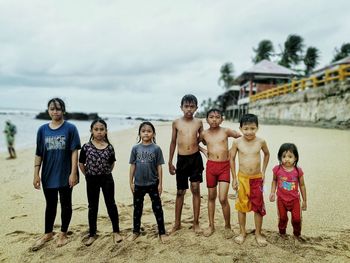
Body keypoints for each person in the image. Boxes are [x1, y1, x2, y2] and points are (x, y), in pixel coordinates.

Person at [32, 98, 81, 251]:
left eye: (58, 109)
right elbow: (39, 153)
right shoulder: (42, 130)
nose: (55, 111)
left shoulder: (70, 128)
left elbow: (74, 152)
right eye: (52, 109)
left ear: (63, 110)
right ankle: (48, 233)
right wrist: (36, 174)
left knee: (66, 204)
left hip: (66, 173)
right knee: (50, 204)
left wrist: (73, 173)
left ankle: (63, 233)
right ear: (48, 111)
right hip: (48, 173)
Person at [79, 119, 122, 246]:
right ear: (91, 131)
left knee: (111, 204)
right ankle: (92, 233)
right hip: (91, 179)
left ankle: (116, 231)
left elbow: (112, 163)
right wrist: (87, 175)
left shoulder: (109, 147)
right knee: (92, 207)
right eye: (96, 129)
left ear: (106, 131)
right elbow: (81, 163)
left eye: (102, 129)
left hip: (107, 179)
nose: (99, 132)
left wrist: (106, 172)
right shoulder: (86, 147)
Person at [230, 113, 270, 246]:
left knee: (258, 207)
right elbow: (231, 159)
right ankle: (242, 232)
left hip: (257, 179)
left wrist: (263, 171)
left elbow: (267, 154)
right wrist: (234, 178)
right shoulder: (237, 142)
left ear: (257, 128)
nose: (249, 132)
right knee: (242, 207)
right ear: (240, 128)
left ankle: (258, 233)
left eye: (252, 128)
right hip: (242, 178)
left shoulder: (261, 141)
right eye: (246, 128)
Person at [200, 109, 241, 238]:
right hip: (211, 167)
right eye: (211, 117)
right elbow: (196, 144)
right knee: (211, 197)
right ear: (206, 119)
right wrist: (204, 151)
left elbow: (240, 136)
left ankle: (227, 226)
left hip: (224, 166)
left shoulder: (226, 131)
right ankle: (211, 225)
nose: (214, 119)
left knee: (223, 198)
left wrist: (232, 150)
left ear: (222, 119)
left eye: (217, 117)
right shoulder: (204, 133)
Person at [168, 94, 204, 234]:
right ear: (181, 107)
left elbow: (202, 138)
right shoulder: (176, 123)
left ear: (196, 108)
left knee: (195, 189)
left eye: (192, 106)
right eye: (186, 106)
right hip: (181, 159)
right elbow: (173, 142)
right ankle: (177, 223)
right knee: (180, 191)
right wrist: (170, 162)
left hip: (195, 159)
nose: (189, 109)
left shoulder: (199, 122)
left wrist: (203, 145)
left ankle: (196, 223)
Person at [128, 121, 169, 243]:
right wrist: (131, 182)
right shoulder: (135, 148)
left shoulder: (156, 149)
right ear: (140, 133)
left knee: (157, 208)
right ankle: (136, 231)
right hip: (139, 184)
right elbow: (132, 166)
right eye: (143, 131)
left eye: (149, 131)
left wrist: (161, 183)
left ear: (153, 134)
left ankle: (162, 232)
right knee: (137, 209)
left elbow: (159, 167)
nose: (146, 133)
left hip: (153, 184)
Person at [269, 143, 307, 240]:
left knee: (297, 219)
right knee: (282, 218)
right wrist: (272, 192)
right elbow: (274, 180)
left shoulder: (298, 171)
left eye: (290, 156)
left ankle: (297, 234)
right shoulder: (277, 169)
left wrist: (304, 200)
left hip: (295, 200)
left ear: (296, 158)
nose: (287, 159)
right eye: (284, 156)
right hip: (281, 200)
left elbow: (302, 185)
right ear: (280, 157)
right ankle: (282, 234)